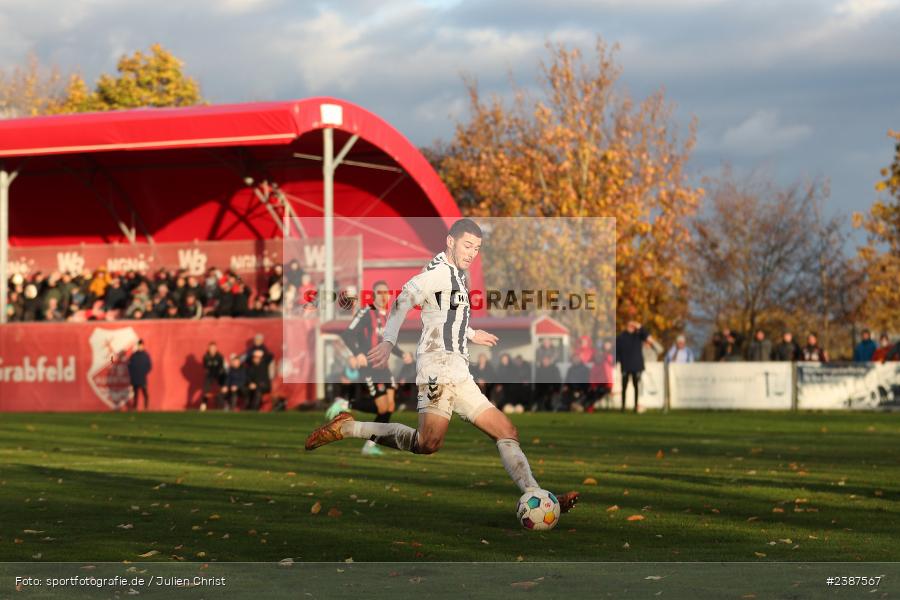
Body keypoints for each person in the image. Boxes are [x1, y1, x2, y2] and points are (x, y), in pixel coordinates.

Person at [305, 218, 579, 513]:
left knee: (507, 430)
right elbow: (401, 301)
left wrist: (473, 333)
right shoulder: (436, 273)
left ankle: (539, 497)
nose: (473, 252)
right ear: (450, 241)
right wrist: (388, 341)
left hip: (459, 371)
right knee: (428, 443)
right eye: (467, 245)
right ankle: (348, 428)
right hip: (437, 366)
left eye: (477, 247)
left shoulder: (459, 277)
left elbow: (448, 316)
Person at [328, 280, 404, 456]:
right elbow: (347, 334)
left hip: (384, 367)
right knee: (382, 408)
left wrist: (402, 355)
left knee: (390, 407)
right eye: (380, 292)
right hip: (369, 366)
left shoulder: (389, 316)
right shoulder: (366, 312)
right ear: (374, 294)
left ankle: (369, 446)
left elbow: (389, 342)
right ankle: (345, 403)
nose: (383, 296)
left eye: (386, 292)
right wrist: (357, 353)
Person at [615, 320, 652, 412]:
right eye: (630, 325)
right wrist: (617, 361)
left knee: (636, 386)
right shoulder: (621, 337)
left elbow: (647, 336)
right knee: (624, 386)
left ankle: (636, 406)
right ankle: (623, 407)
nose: (631, 327)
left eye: (633, 326)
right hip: (626, 365)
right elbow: (617, 350)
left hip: (636, 365)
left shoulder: (638, 335)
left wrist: (639, 326)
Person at [127, 340, 152, 411]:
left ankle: (146, 407)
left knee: (145, 392)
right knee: (135, 393)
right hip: (135, 378)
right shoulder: (134, 355)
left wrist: (143, 372)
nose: (139, 347)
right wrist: (132, 374)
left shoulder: (146, 355)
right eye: (138, 345)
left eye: (140, 345)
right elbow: (129, 366)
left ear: (143, 346)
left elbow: (149, 366)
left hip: (142, 377)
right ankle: (135, 407)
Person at [201, 342, 225, 410]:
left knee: (222, 389)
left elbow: (221, 367)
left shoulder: (219, 356)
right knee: (206, 389)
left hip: (219, 375)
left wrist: (219, 374)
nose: (212, 349)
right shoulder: (206, 357)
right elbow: (205, 367)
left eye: (213, 348)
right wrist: (209, 372)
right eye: (211, 348)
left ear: (216, 348)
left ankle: (222, 405)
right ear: (208, 348)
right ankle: (203, 404)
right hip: (210, 375)